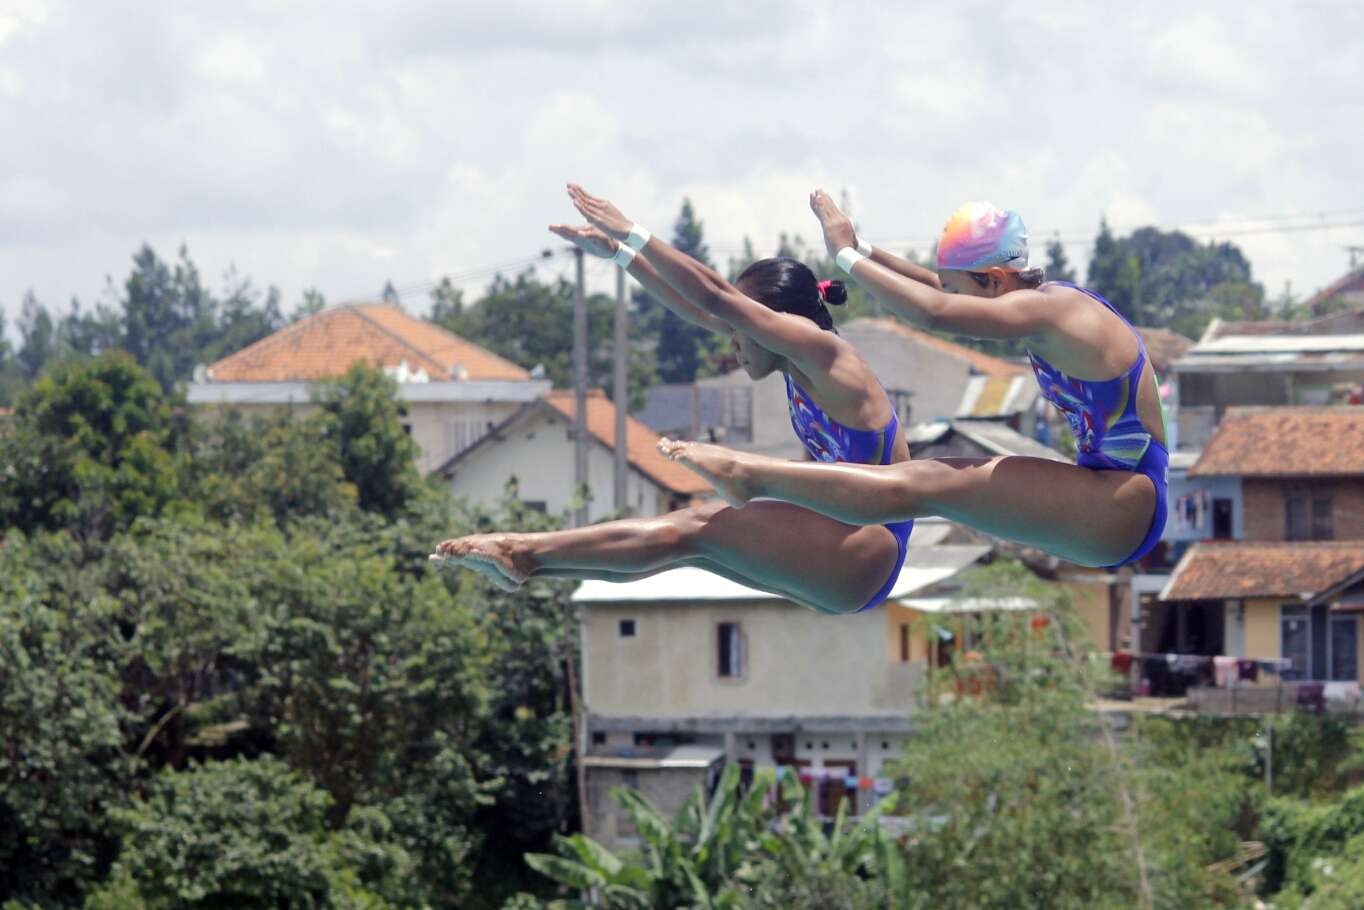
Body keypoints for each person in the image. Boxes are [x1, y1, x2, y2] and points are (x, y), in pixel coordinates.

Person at [430, 183, 920, 614]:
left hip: (866, 550)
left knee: (695, 527)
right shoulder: (794, 361)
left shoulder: (825, 353)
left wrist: (632, 231)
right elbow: (700, 309)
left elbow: (713, 298)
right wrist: (622, 255)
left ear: (775, 323)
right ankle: (528, 563)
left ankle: (525, 550)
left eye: (740, 330)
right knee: (686, 541)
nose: (730, 343)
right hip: (843, 557)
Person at [655, 192, 1168, 569]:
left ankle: (758, 479)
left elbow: (937, 312)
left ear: (992, 280)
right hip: (1108, 496)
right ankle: (771, 488)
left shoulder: (1055, 315)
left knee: (930, 481)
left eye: (957, 286)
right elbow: (935, 291)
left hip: (1123, 501)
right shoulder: (1033, 300)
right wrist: (864, 249)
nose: (945, 292)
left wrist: (846, 260)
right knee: (931, 480)